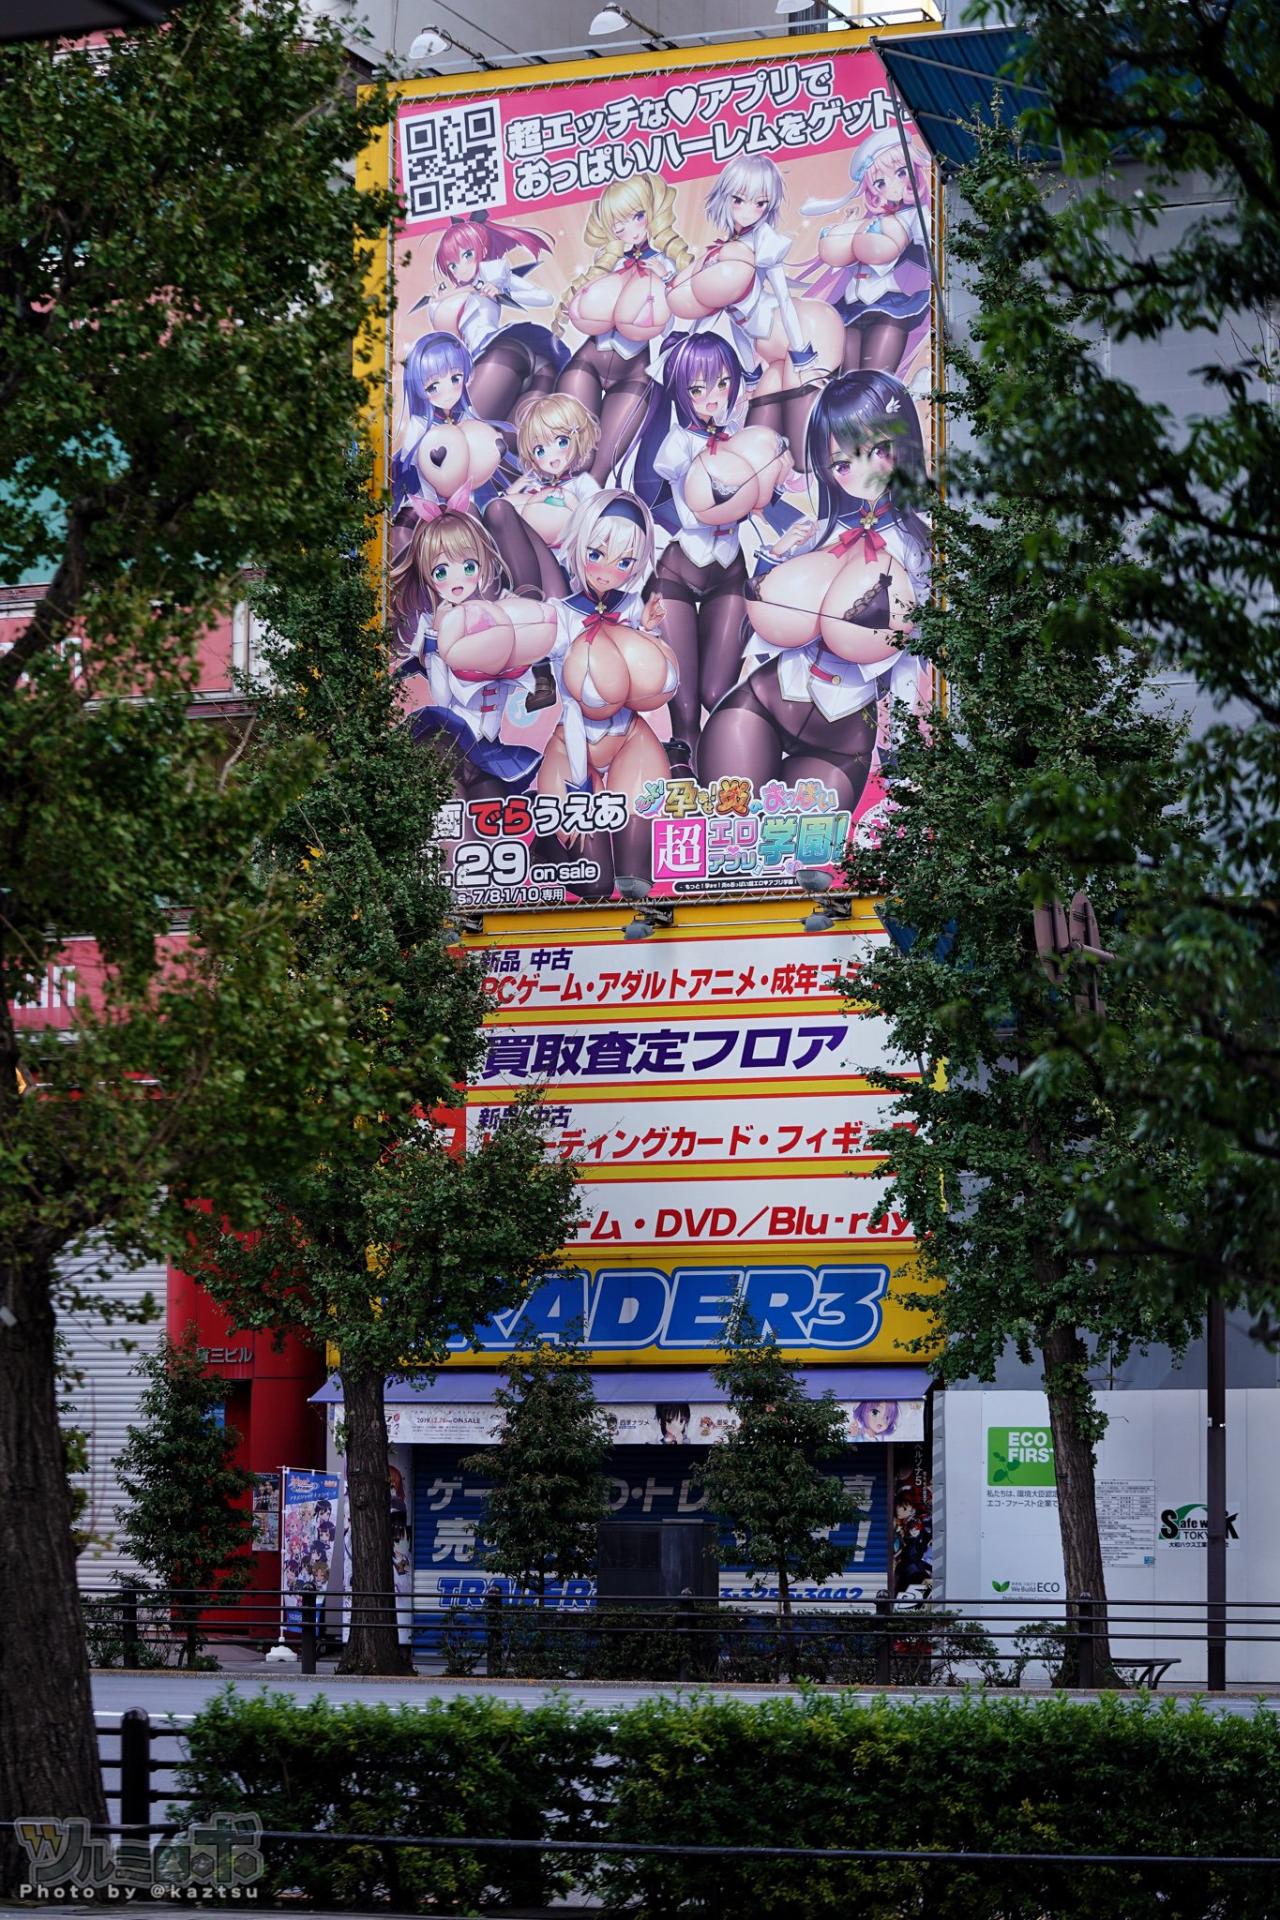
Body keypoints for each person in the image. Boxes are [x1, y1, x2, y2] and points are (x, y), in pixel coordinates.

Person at [698, 369, 929, 809]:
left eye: (878, 451)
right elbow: (771, 605)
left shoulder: (915, 548)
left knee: (800, 859)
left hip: (842, 728)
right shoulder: (820, 529)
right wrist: (776, 556)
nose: (858, 473)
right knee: (728, 826)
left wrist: (901, 748)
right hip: (768, 697)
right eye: (842, 464)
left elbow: (904, 654)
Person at [633, 331, 790, 771]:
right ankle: (688, 776)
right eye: (697, 389)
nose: (712, 398)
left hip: (727, 569)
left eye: (722, 384)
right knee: (683, 705)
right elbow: (672, 505)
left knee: (715, 690)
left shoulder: (744, 437)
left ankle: (719, 777)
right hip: (678, 570)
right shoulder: (675, 444)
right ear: (681, 393)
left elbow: (764, 497)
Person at [535, 491, 674, 893]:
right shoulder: (559, 614)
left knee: (635, 873)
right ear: (578, 543)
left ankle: (646, 919)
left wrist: (648, 630)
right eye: (597, 554)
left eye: (625, 562)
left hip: (629, 735)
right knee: (594, 880)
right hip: (572, 742)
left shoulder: (634, 607)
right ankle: (542, 845)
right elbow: (552, 690)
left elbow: (653, 676)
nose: (609, 571)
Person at [391, 507, 559, 797]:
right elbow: (442, 698)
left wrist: (534, 671)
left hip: (490, 745)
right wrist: (438, 643)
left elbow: (536, 671)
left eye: (468, 566)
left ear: (482, 563)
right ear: (428, 575)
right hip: (450, 733)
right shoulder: (432, 625)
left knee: (492, 808)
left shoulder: (501, 612)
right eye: (441, 571)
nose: (457, 581)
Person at [554, 173, 693, 482]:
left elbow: (674, 317)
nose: (629, 229)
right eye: (619, 224)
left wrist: (666, 280)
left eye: (637, 217)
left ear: (651, 214)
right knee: (572, 455)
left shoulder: (666, 264)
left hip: (635, 370)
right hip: (590, 358)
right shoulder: (608, 261)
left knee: (600, 468)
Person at [798, 128, 933, 377]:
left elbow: (917, 247)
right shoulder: (868, 222)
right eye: (880, 182)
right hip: (852, 303)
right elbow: (841, 253)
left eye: (901, 172)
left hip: (894, 301)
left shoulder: (919, 215)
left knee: (875, 376)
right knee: (848, 378)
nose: (891, 185)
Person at [416, 210, 567, 421]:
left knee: (470, 429)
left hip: (501, 348)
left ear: (482, 250)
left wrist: (502, 292)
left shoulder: (492, 274)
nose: (461, 268)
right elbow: (449, 340)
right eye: (452, 265)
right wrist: (436, 305)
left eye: (467, 255)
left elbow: (545, 297)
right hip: (476, 364)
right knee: (500, 444)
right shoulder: (447, 295)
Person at [484, 391, 601, 600]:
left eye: (561, 442)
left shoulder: (582, 485)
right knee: (495, 510)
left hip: (561, 575)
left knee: (500, 510)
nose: (552, 457)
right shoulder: (534, 485)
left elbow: (599, 529)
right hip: (521, 568)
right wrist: (517, 488)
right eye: (540, 450)